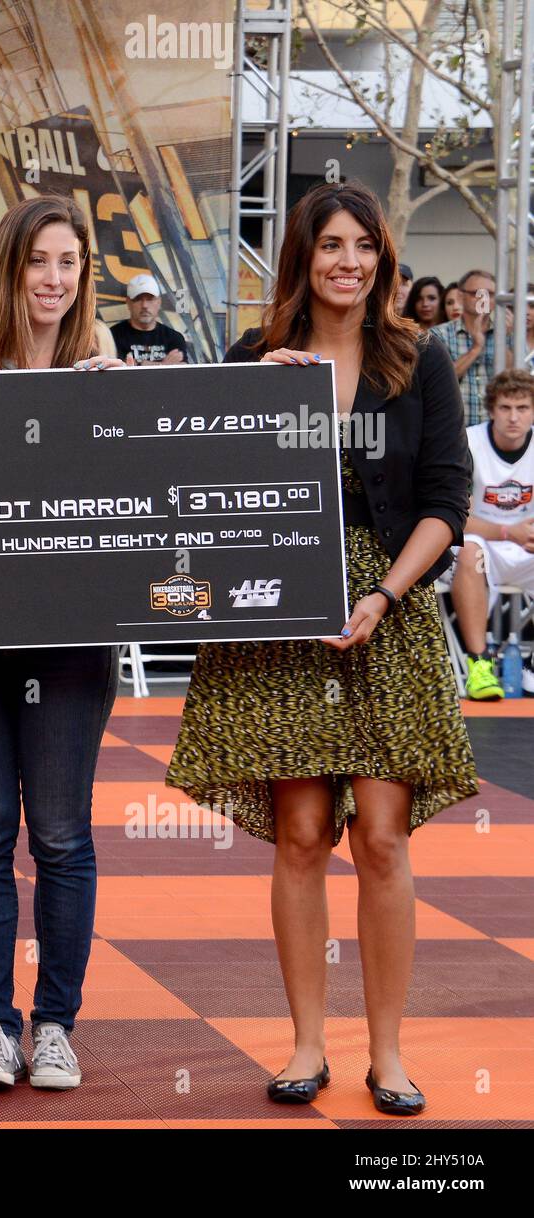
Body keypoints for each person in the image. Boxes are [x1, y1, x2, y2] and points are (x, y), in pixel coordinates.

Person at [166, 182, 478, 1118]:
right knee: (302, 836)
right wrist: (248, 396)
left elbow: (446, 498)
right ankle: (306, 1045)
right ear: (301, 257)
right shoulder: (253, 358)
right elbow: (199, 477)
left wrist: (385, 595)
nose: (349, 261)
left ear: (383, 258)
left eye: (365, 245)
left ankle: (387, 1053)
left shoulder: (419, 361)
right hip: (279, 616)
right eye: (330, 244)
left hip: (389, 607)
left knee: (383, 839)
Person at [0, 195, 126, 1092]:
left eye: (69, 263)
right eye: (39, 261)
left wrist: (117, 412)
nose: (54, 279)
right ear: (9, 268)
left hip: (73, 638)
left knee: (61, 834)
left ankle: (56, 1025)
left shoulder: (106, 368)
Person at [443, 369, 534, 699]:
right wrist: (508, 532)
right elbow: (454, 515)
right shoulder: (468, 443)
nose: (513, 417)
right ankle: (479, 663)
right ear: (491, 410)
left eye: (522, 408)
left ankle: (531, 666)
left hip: (524, 544)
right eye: (506, 408)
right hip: (481, 540)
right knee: (471, 551)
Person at [432, 268, 496, 426]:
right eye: (476, 293)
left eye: (490, 294)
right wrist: (476, 348)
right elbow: (438, 382)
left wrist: (507, 336)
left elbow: (513, 379)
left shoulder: (507, 334)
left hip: (496, 436)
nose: (484, 299)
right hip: (455, 433)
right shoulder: (438, 335)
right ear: (460, 297)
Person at [109, 273, 190, 364]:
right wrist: (163, 365)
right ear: (128, 302)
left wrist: (139, 365)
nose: (144, 305)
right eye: (138, 299)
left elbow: (182, 372)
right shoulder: (112, 336)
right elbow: (117, 371)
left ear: (159, 302)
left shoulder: (174, 338)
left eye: (150, 299)